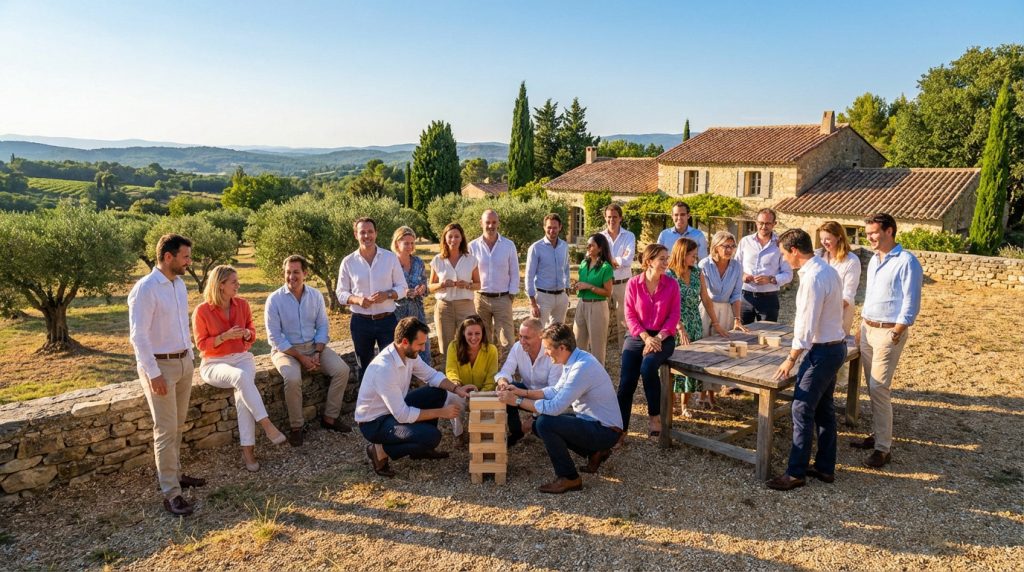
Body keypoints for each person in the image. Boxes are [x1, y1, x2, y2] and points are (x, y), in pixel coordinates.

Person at [128, 233, 204, 516]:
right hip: (160, 368)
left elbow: (182, 325)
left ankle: (176, 474)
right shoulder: (146, 289)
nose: (189, 262)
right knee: (164, 430)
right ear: (168, 257)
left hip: (183, 363)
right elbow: (139, 337)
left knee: (178, 426)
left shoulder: (179, 284)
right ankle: (171, 493)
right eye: (185, 256)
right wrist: (153, 374)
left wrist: (190, 358)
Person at [497, 323, 623, 494]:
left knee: (544, 423)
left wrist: (517, 401)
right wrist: (522, 392)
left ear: (562, 347)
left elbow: (555, 407)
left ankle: (570, 477)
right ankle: (595, 451)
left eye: (548, 348)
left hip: (606, 431)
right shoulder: (576, 359)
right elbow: (555, 390)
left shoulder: (581, 367)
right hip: (595, 423)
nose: (546, 353)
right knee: (539, 424)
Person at [766, 229, 847, 491]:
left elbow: (806, 325)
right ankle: (824, 467)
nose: (783, 259)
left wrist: (791, 358)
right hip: (834, 347)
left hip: (822, 351)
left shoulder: (812, 278)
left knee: (801, 408)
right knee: (823, 407)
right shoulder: (828, 270)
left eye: (783, 254)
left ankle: (795, 472)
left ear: (794, 251)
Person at [356, 317, 476, 477]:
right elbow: (403, 414)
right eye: (420, 344)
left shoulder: (408, 354)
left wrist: (456, 389)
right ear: (405, 342)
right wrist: (441, 412)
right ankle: (379, 450)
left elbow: (432, 376)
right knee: (432, 436)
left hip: (393, 410)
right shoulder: (384, 368)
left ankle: (420, 449)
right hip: (374, 423)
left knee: (438, 391)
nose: (424, 348)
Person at [194, 265, 287, 472]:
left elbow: (252, 333)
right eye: (234, 282)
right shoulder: (202, 311)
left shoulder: (242, 305)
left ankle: (248, 452)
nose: (238, 285)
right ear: (221, 285)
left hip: (242, 357)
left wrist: (245, 333)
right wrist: (223, 337)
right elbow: (201, 345)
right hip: (214, 363)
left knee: (242, 395)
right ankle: (267, 425)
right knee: (240, 378)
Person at [852, 213, 923, 469]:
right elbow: (870, 296)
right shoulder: (874, 260)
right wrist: (861, 325)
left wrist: (898, 330)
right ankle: (879, 435)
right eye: (868, 233)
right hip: (868, 329)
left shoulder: (907, 261)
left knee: (879, 387)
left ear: (890, 231)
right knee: (872, 387)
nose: (869, 237)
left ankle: (883, 449)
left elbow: (911, 300)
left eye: (874, 233)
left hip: (888, 332)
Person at [266, 255, 353, 447]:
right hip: (286, 351)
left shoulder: (315, 296)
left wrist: (317, 352)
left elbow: (322, 326)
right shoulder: (274, 300)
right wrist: (301, 358)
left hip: (314, 347)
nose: (291, 276)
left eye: (296, 272)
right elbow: (275, 337)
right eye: (288, 272)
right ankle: (296, 427)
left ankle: (330, 418)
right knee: (293, 378)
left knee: (342, 370)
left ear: (305, 273)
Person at [617, 243, 680, 442]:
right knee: (626, 382)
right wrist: (646, 338)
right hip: (637, 335)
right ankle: (619, 429)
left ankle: (654, 417)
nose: (666, 262)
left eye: (666, 257)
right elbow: (629, 314)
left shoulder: (672, 284)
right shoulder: (634, 284)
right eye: (661, 258)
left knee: (648, 367)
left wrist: (658, 338)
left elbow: (673, 316)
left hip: (664, 337)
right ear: (648, 261)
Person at [337, 217, 408, 382]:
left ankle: (393, 406)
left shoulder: (389, 258)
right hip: (360, 323)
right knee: (365, 368)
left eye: (370, 232)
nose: (367, 236)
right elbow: (340, 293)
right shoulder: (348, 262)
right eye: (362, 232)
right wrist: (357, 299)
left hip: (387, 321)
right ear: (356, 235)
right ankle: (366, 407)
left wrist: (387, 295)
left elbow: (403, 288)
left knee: (392, 365)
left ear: (376, 234)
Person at [666, 237, 725, 418]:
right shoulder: (669, 275)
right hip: (675, 325)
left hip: (695, 324)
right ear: (682, 254)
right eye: (692, 255)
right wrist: (679, 326)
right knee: (672, 367)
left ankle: (685, 405)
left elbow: (706, 299)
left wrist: (716, 323)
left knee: (691, 366)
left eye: (696, 255)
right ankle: (670, 403)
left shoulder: (697, 272)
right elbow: (666, 304)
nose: (695, 259)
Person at [698, 230, 751, 406]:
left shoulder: (736, 266)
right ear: (715, 247)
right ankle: (702, 393)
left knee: (721, 352)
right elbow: (705, 296)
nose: (729, 250)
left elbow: (736, 295)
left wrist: (737, 318)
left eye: (732, 246)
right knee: (706, 351)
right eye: (725, 246)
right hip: (707, 310)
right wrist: (714, 320)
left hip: (727, 311)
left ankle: (713, 394)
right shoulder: (704, 265)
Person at [495, 318, 563, 443]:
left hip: (546, 399)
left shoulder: (551, 352)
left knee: (541, 428)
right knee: (509, 388)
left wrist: (534, 417)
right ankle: (517, 433)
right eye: (520, 336)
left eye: (526, 338)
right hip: (525, 392)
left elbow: (554, 392)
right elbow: (505, 371)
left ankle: (535, 425)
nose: (522, 341)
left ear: (540, 336)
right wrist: (503, 382)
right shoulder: (517, 347)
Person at [469, 209, 519, 359]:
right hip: (480, 299)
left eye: (494, 222)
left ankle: (507, 377)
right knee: (482, 340)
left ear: (498, 223)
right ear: (481, 224)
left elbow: (515, 272)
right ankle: (487, 375)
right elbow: (468, 272)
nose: (491, 226)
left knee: (507, 340)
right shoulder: (472, 246)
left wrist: (511, 295)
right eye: (487, 222)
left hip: (502, 298)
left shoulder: (508, 245)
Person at [429, 223, 480, 365]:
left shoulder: (471, 259)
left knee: (469, 343)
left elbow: (478, 284)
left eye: (457, 236)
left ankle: (469, 378)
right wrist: (442, 284)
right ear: (444, 238)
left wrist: (468, 285)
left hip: (466, 307)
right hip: (444, 308)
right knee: (446, 347)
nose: (453, 239)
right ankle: (449, 382)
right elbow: (430, 287)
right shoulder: (437, 260)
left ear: (462, 238)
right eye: (450, 236)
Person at [445, 314, 499, 444]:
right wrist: (457, 387)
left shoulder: (491, 350)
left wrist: (478, 395)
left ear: (483, 333)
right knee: (451, 397)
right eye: (469, 333)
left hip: (483, 391)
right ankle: (459, 433)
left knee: (494, 398)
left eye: (477, 333)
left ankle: (483, 432)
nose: (474, 338)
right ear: (463, 333)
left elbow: (492, 377)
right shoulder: (453, 346)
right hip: (461, 389)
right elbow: (451, 371)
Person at [736, 208, 793, 324]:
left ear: (774, 224)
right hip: (744, 297)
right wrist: (743, 276)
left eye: (767, 223)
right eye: (761, 223)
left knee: (767, 336)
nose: (763, 227)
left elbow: (788, 274)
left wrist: (771, 279)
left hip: (769, 299)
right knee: (741, 334)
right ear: (756, 223)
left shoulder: (781, 244)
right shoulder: (745, 241)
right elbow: (735, 267)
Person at [573, 233, 614, 365]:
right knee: (577, 343)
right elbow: (582, 283)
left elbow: (608, 292)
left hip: (597, 307)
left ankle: (598, 379)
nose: (588, 247)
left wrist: (589, 287)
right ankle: (579, 374)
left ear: (600, 248)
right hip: (581, 305)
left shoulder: (606, 267)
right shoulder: (584, 264)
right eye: (588, 244)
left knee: (597, 347)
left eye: (591, 245)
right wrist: (577, 286)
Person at [600, 203, 636, 350]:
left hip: (623, 284)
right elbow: (595, 260)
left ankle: (624, 351)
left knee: (624, 319)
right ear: (605, 218)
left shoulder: (629, 236)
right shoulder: (599, 237)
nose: (611, 220)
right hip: (603, 283)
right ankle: (601, 351)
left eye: (615, 217)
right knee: (602, 319)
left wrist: (608, 261)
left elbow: (628, 260)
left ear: (620, 218)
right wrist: (617, 261)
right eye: (609, 217)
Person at [392, 226, 431, 363]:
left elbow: (426, 286)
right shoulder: (390, 262)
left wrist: (422, 289)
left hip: (417, 313)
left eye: (412, 243)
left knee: (423, 348)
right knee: (402, 350)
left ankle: (426, 382)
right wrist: (403, 292)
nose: (410, 246)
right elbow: (386, 289)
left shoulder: (418, 263)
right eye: (406, 243)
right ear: (397, 243)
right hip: (398, 314)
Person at [525, 213, 570, 325]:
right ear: (544, 227)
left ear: (560, 227)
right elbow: (529, 276)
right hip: (542, 298)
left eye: (555, 228)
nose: (552, 231)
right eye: (549, 227)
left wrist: (567, 293)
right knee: (537, 332)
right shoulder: (536, 248)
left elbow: (566, 269)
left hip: (561, 297)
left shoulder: (564, 246)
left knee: (557, 335)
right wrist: (532, 303)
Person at [817, 221, 861, 334]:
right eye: (821, 239)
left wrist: (826, 308)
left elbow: (848, 295)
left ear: (839, 237)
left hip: (840, 313)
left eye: (827, 239)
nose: (823, 242)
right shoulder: (819, 257)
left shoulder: (851, 261)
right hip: (818, 312)